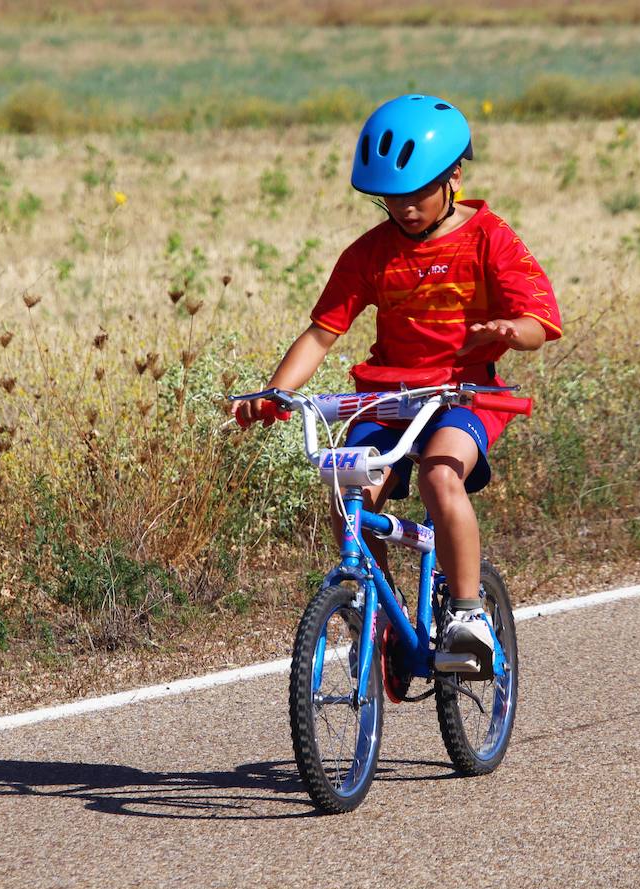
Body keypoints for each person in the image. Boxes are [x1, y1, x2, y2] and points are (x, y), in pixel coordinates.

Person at [234, 94, 562, 672]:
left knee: (441, 474)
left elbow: (538, 320)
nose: (404, 209)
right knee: (347, 492)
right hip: (388, 397)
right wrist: (274, 392)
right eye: (390, 198)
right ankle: (377, 614)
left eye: (416, 193)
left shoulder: (489, 238)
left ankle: (466, 613)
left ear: (454, 174)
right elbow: (321, 333)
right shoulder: (369, 253)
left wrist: (513, 329)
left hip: (465, 393)